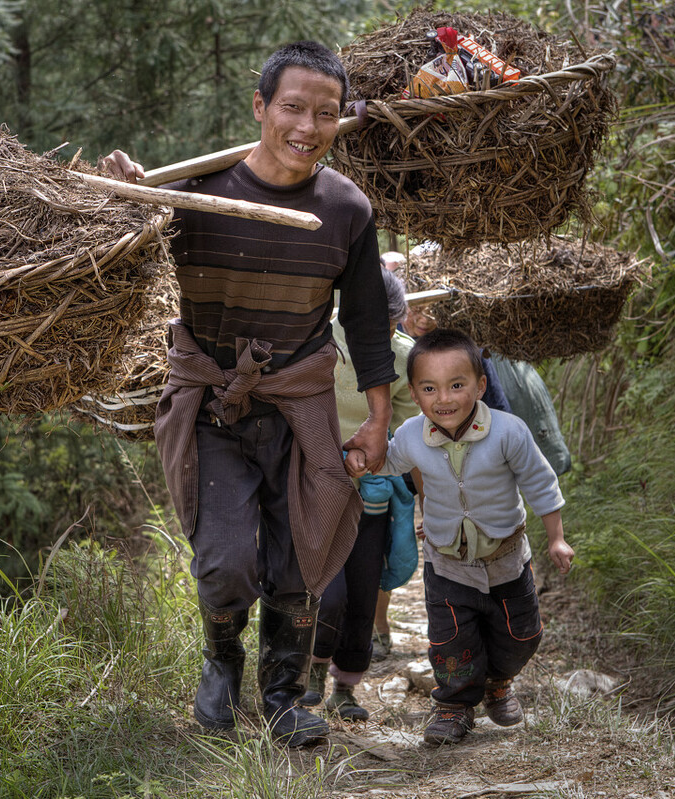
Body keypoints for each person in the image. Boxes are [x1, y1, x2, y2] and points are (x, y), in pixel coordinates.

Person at [100, 41, 397, 748]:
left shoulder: (346, 209)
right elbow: (115, 248)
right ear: (260, 107)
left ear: (339, 121)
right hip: (211, 404)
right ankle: (222, 660)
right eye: (292, 107)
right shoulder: (193, 192)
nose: (307, 125)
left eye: (325, 113)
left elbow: (364, 323)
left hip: (300, 404)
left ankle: (286, 692)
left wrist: (380, 417)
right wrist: (124, 190)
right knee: (227, 555)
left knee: (302, 550)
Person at [378, 328, 574, 746]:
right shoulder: (412, 435)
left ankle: (497, 681)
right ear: (414, 393)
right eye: (429, 388)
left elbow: (541, 483)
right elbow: (387, 462)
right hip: (446, 560)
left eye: (456, 385)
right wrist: (362, 454)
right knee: (451, 642)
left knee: (523, 635)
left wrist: (555, 538)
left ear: (481, 385)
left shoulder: (509, 431)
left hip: (506, 559)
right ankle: (453, 706)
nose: (443, 399)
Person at [299, 268, 418, 720]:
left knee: (363, 593)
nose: (379, 334)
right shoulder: (317, 340)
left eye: (388, 327)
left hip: (372, 493)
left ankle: (346, 688)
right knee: (328, 592)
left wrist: (380, 460)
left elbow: (411, 425)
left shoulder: (403, 357)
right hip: (320, 487)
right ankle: (312, 671)